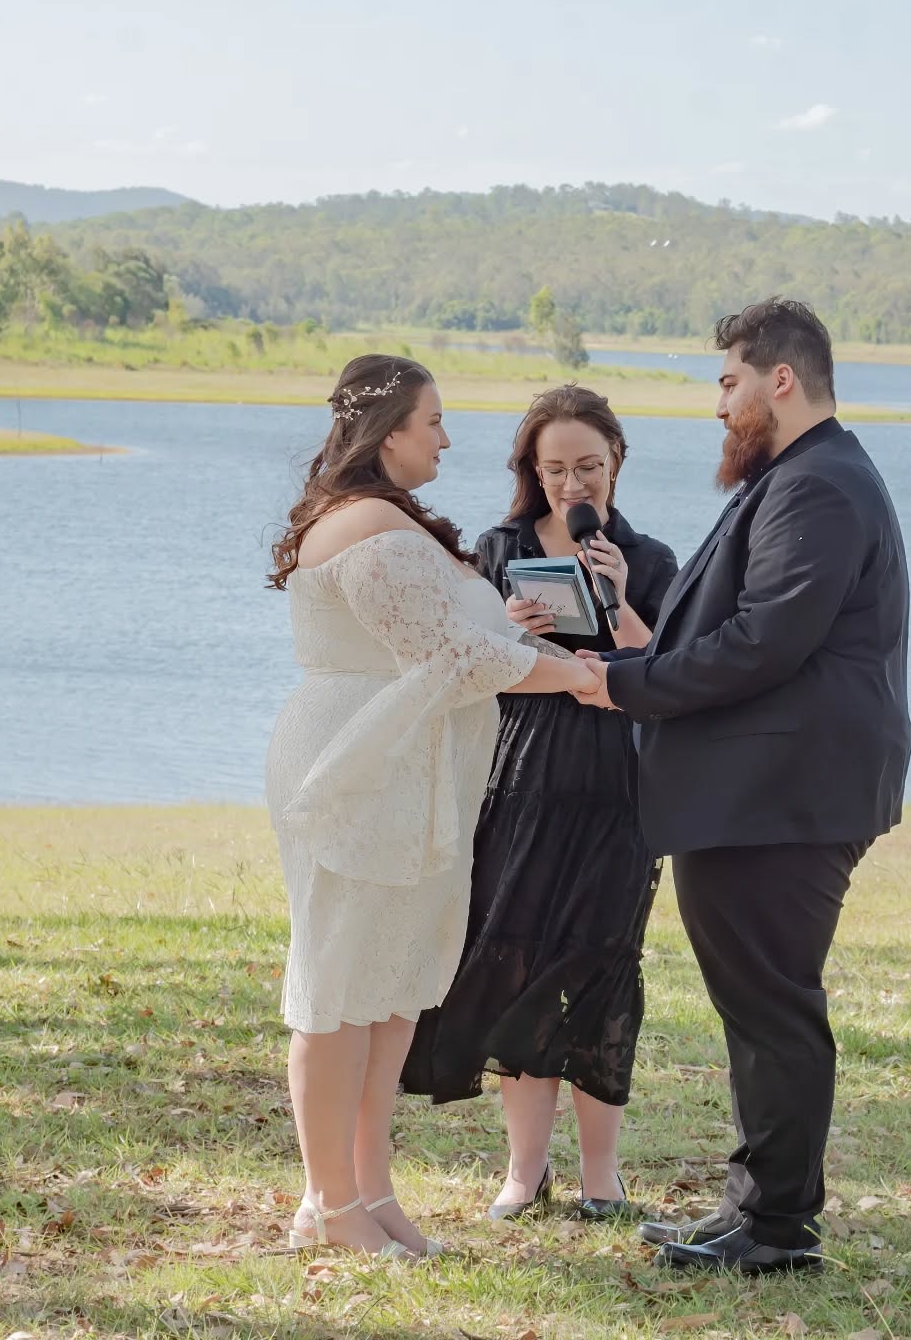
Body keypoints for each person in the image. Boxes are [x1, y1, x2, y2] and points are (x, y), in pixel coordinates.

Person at [577, 299, 911, 1274]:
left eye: (729, 383)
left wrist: (623, 685)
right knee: (759, 1009)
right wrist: (638, 657)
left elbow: (765, 643)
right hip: (762, 795)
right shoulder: (800, 478)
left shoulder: (821, 486)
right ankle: (756, 1213)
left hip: (780, 799)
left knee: (772, 1008)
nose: (719, 404)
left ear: (781, 378)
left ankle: (775, 1231)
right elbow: (744, 633)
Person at [265, 355, 600, 1260]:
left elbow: (463, 637)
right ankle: (327, 1204)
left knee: (391, 988)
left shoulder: (396, 517)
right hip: (359, 762)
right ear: (389, 433)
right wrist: (578, 679)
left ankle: (370, 1189)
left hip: (415, 767)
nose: (447, 439)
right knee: (339, 986)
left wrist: (539, 645)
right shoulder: (365, 522)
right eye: (434, 421)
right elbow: (449, 656)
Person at [402, 386, 677, 1222]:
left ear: (616, 462)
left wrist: (619, 600)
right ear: (532, 470)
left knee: (601, 964)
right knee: (517, 960)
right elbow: (467, 661)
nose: (572, 484)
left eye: (588, 466)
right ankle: (524, 1173)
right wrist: (513, 630)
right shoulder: (502, 548)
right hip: (520, 774)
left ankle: (602, 1177)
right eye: (554, 468)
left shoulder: (651, 558)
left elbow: (673, 673)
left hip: (618, 784)